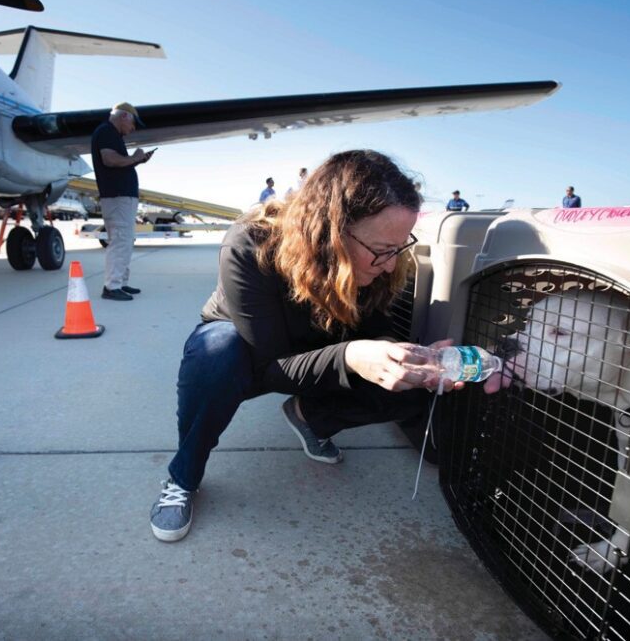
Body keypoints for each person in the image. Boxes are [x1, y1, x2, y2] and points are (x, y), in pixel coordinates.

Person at [150, 150, 464, 542]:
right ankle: (184, 475)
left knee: (411, 385)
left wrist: (404, 356)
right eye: (382, 250)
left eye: (399, 247)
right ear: (333, 230)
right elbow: (270, 365)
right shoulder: (250, 243)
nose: (389, 264)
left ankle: (311, 418)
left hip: (321, 343)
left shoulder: (381, 260)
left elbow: (377, 327)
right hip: (254, 350)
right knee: (217, 351)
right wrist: (351, 356)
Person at [90, 102, 155, 301]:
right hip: (117, 197)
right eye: (133, 124)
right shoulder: (107, 132)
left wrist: (138, 160)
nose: (133, 129)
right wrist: (135, 157)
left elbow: (116, 161)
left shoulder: (111, 134)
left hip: (120, 197)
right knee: (120, 241)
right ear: (124, 116)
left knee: (125, 240)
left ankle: (121, 283)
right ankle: (112, 287)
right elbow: (110, 160)